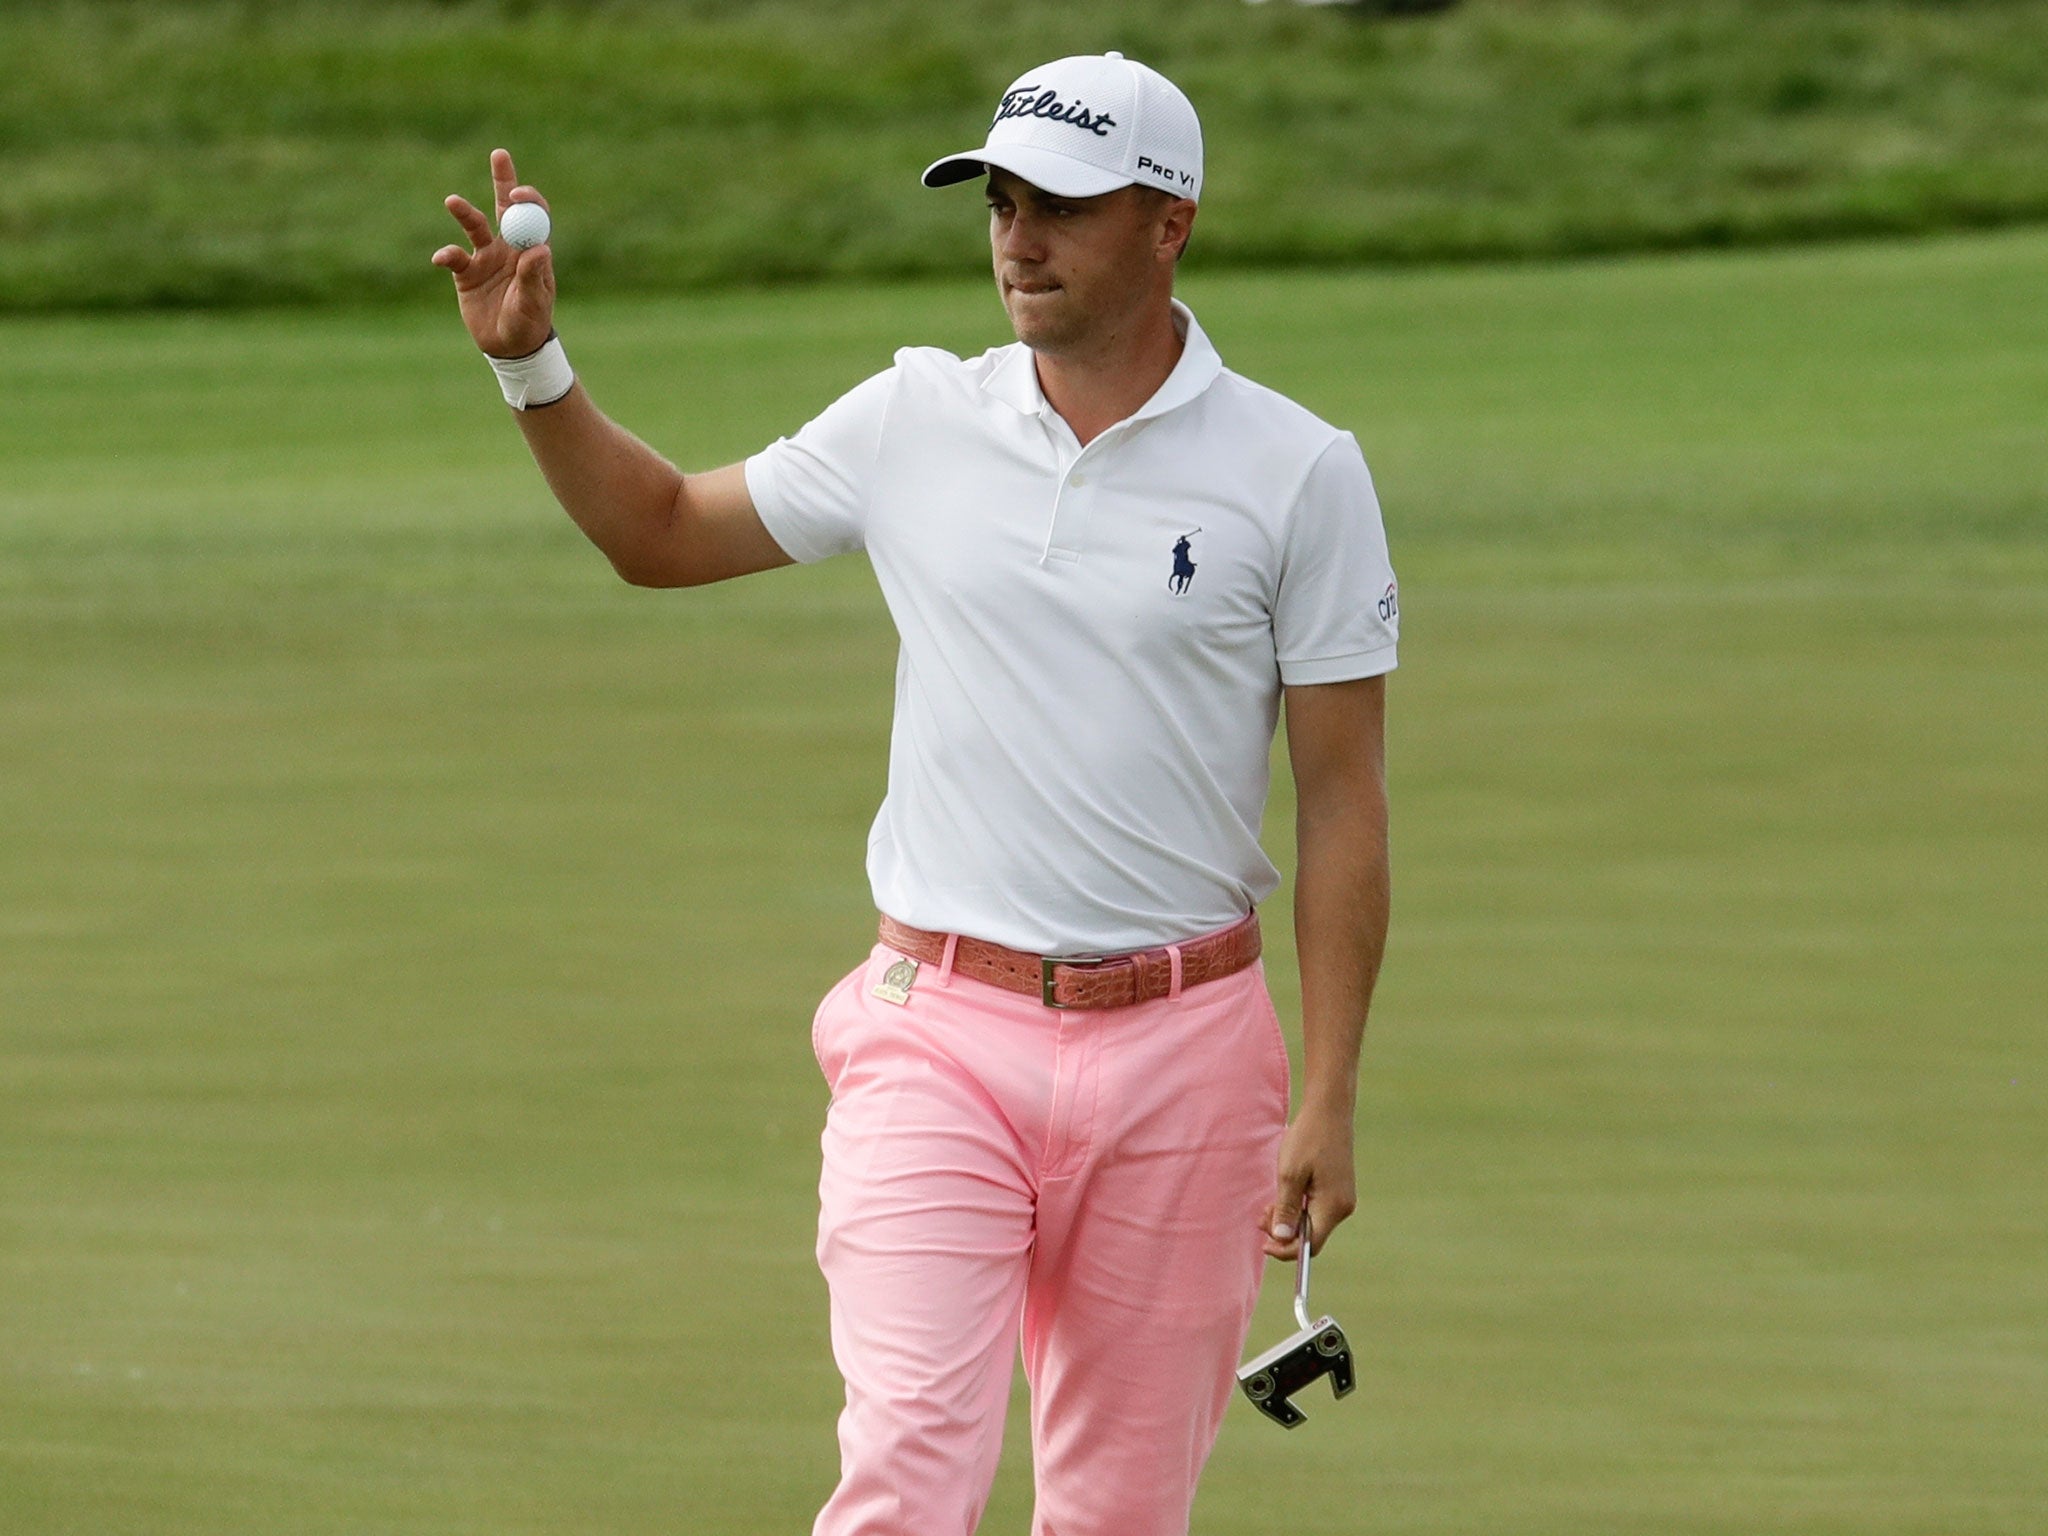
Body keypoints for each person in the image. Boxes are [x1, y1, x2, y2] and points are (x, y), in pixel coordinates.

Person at [434, 50, 1396, 1536]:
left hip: (1193, 1055)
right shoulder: (914, 418)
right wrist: (532, 370)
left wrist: (1328, 1088)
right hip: (936, 1033)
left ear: (1170, 224)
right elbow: (665, 531)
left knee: (1120, 1517)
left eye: (1065, 207)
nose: (1020, 237)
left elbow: (1343, 803)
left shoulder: (1298, 472)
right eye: (1003, 202)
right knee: (903, 1487)